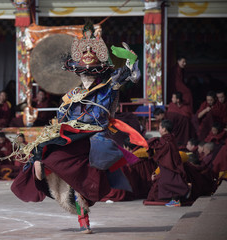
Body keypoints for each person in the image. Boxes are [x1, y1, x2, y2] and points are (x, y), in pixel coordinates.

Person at [9, 22, 146, 233]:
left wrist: (131, 60)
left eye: (89, 72)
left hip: (95, 137)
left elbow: (133, 76)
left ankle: (82, 215)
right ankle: (39, 166)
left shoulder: (109, 86)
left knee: (82, 182)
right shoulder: (72, 95)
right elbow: (61, 118)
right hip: (73, 136)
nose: (86, 76)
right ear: (78, 73)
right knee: (47, 153)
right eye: (82, 73)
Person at [147, 119, 189, 207]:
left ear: (165, 129)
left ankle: (182, 193)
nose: (159, 130)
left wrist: (151, 144)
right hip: (170, 163)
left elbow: (160, 148)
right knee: (168, 181)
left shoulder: (166, 140)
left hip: (169, 164)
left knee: (168, 182)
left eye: (160, 128)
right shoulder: (170, 138)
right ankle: (176, 199)